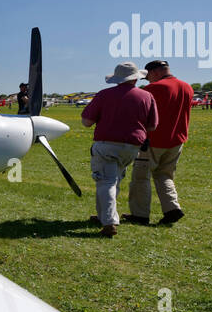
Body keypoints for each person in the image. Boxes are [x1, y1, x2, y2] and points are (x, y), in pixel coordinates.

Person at [80, 62, 158, 237]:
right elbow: (152, 126)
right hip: (132, 147)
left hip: (107, 145)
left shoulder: (104, 95)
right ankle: (103, 215)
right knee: (114, 181)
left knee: (106, 181)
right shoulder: (147, 97)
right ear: (136, 78)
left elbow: (86, 121)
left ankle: (109, 221)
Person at [127, 59, 191, 225]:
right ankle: (172, 208)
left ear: (154, 72)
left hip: (153, 140)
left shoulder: (153, 89)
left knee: (141, 177)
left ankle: (140, 214)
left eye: (148, 77)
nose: (148, 81)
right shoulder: (187, 87)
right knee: (165, 175)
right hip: (177, 140)